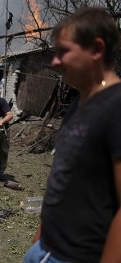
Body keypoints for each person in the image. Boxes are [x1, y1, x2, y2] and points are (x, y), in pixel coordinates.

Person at [23, 7, 121, 263]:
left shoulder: (116, 107)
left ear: (96, 50)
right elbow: (63, 179)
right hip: (45, 250)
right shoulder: (80, 102)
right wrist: (40, 240)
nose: (55, 61)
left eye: (63, 51)